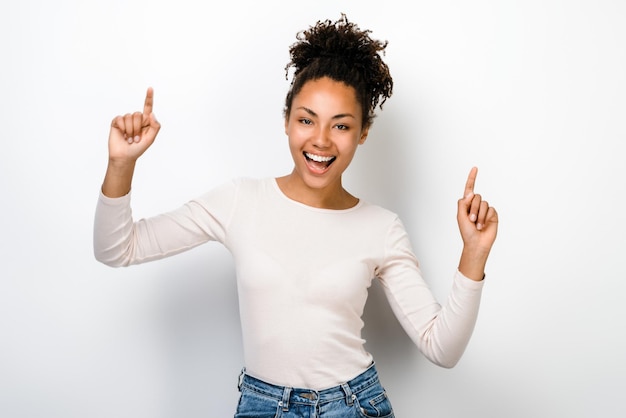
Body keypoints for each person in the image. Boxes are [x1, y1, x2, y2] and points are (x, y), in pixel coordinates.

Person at [94, 14, 498, 418]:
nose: (320, 140)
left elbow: (441, 348)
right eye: (307, 120)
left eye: (341, 125)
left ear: (362, 133)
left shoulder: (382, 228)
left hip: (353, 406)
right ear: (287, 121)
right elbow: (117, 249)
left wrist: (474, 255)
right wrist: (120, 164)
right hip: (261, 406)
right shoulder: (240, 201)